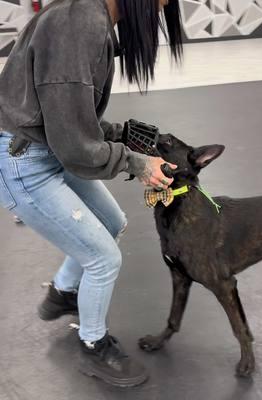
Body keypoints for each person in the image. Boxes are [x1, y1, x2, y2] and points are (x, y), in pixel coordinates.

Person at [0, 0, 182, 388]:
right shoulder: (78, 23)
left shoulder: (91, 17)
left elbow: (67, 115)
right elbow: (76, 146)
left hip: (45, 145)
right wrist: (137, 163)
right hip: (25, 160)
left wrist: (119, 133)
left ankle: (63, 293)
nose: (165, 4)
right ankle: (93, 343)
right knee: (103, 259)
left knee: (112, 222)